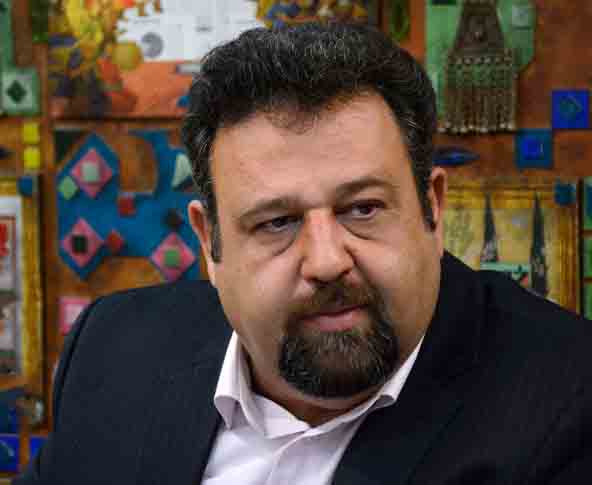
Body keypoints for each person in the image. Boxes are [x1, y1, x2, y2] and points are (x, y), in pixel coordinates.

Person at [15, 22, 592, 485]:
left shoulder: (568, 404)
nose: (326, 261)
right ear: (209, 241)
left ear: (433, 209)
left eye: (362, 209)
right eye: (277, 222)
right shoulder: (113, 350)